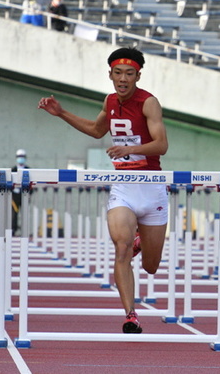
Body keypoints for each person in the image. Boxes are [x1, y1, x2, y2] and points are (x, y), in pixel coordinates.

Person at [37, 47, 169, 334]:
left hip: (152, 187)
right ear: (110, 74)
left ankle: (141, 242)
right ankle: (131, 315)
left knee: (151, 266)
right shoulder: (109, 101)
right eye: (118, 73)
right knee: (120, 249)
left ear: (138, 76)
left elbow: (161, 145)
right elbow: (97, 130)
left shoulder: (149, 103)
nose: (123, 79)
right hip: (124, 186)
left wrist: (130, 148)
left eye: (129, 74)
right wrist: (61, 113)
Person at [11, 149, 30, 236]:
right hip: (14, 196)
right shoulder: (13, 169)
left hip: (24, 195)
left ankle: (24, 231)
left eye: (22, 157)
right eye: (19, 157)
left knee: (25, 214)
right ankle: (13, 230)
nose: (21, 159)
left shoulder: (28, 170)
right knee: (13, 214)